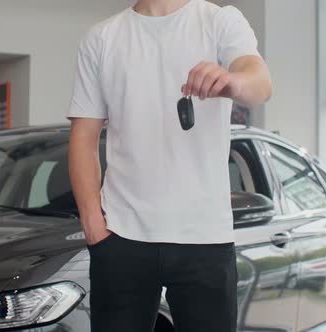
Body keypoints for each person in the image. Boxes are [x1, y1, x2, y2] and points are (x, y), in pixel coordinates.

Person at [67, 0, 272, 331]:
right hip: (121, 236)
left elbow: (260, 84)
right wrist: (93, 225)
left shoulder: (220, 21)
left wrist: (231, 81)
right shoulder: (102, 37)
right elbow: (83, 136)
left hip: (205, 238)